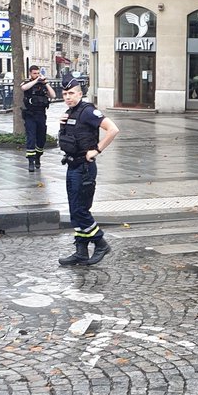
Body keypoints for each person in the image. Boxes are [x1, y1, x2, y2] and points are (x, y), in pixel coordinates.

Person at [57, 74, 120, 266]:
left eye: (71, 93)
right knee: (75, 211)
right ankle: (81, 251)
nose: (68, 97)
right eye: (65, 93)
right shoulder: (70, 113)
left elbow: (113, 129)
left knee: (80, 210)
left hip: (84, 168)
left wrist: (97, 149)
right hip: (72, 165)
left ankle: (100, 243)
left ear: (80, 93)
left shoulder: (87, 111)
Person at [20, 66, 56, 171]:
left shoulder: (43, 85)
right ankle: (30, 161)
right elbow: (23, 88)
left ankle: (38, 157)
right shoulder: (27, 83)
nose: (37, 75)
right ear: (30, 73)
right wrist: (36, 81)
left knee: (41, 139)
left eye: (38, 73)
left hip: (41, 115)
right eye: (35, 73)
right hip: (30, 115)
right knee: (31, 137)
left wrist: (45, 83)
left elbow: (53, 95)